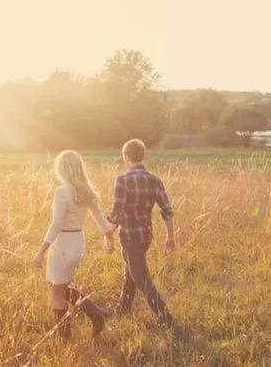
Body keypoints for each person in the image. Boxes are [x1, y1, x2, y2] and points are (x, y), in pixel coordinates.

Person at [32, 150, 116, 339]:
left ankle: (65, 339)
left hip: (62, 243)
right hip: (77, 243)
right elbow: (102, 221)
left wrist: (40, 251)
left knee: (56, 294)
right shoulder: (87, 190)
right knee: (61, 287)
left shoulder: (63, 191)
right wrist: (110, 240)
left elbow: (56, 224)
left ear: (62, 169)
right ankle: (95, 312)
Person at [107, 139, 176, 327]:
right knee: (132, 270)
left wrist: (108, 232)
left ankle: (165, 317)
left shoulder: (122, 180)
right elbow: (167, 210)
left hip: (130, 236)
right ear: (142, 156)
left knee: (140, 277)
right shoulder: (155, 180)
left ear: (126, 157)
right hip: (146, 236)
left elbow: (117, 213)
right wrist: (170, 237)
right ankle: (124, 307)